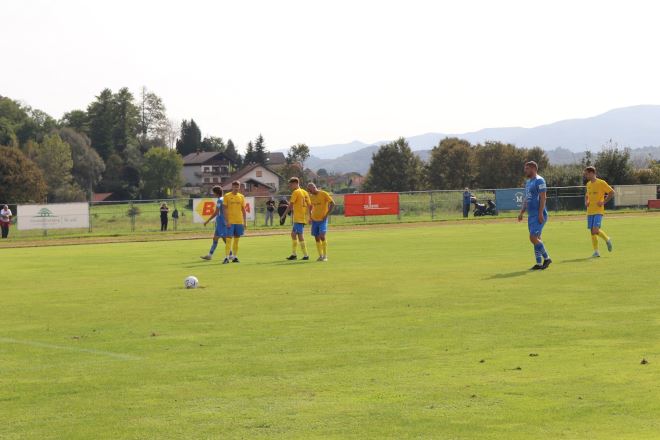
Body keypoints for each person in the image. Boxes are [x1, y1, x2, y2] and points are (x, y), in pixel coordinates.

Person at [517, 161, 552, 270]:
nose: (525, 170)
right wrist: (522, 212)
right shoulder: (528, 182)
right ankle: (539, 263)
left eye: (527, 168)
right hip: (531, 215)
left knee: (533, 238)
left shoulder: (540, 180)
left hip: (538, 214)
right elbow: (527, 198)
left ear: (533, 168)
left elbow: (543, 197)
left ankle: (547, 258)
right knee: (536, 238)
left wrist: (540, 213)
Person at [584, 166, 615, 257]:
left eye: (587, 174)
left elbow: (612, 192)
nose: (586, 175)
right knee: (592, 232)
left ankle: (607, 239)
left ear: (592, 173)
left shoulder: (601, 183)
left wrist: (603, 202)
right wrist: (586, 201)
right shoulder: (588, 184)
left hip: (598, 211)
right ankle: (596, 252)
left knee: (595, 230)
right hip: (590, 211)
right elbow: (587, 195)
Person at [281, 177, 311, 260]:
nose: (290, 186)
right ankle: (294, 254)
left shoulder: (296, 192)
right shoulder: (305, 192)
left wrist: (283, 215)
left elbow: (290, 205)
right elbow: (309, 205)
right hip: (302, 216)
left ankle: (306, 255)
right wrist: (309, 216)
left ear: (295, 183)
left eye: (291, 184)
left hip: (299, 217)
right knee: (293, 234)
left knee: (300, 235)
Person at [307, 182, 335, 261]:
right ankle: (320, 256)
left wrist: (326, 215)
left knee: (322, 236)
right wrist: (310, 217)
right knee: (316, 238)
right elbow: (310, 207)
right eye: (308, 191)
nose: (309, 192)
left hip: (322, 220)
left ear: (314, 187)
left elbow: (332, 203)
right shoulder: (311, 197)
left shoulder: (323, 194)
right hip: (314, 220)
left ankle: (325, 256)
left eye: (310, 190)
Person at [201, 186, 230, 261]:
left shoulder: (220, 200)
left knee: (224, 238)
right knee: (216, 238)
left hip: (221, 222)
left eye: (213, 192)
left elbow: (216, 212)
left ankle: (231, 254)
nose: (213, 194)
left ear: (216, 193)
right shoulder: (223, 199)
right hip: (221, 222)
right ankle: (210, 255)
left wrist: (207, 220)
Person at [223, 181, 247, 264]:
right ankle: (226, 257)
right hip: (230, 222)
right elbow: (224, 209)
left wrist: (245, 222)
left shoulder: (241, 196)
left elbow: (243, 210)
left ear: (239, 187)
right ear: (232, 187)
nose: (236, 188)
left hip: (239, 221)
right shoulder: (227, 196)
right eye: (235, 186)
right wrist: (227, 221)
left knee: (237, 239)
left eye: (237, 187)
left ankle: (235, 257)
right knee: (228, 239)